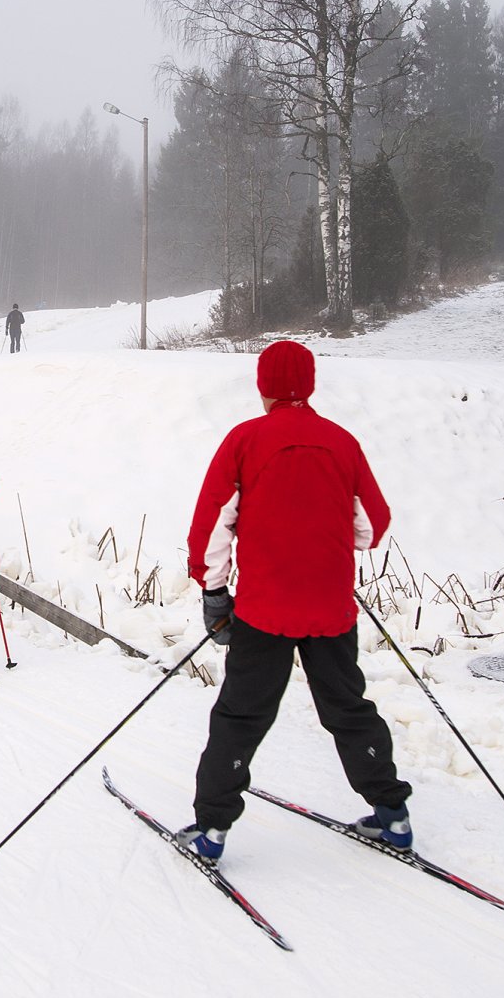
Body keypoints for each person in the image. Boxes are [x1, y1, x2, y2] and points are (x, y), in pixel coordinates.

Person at [176, 339, 410, 863]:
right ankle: (393, 813)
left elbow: (213, 524)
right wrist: (324, 540)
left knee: (241, 716)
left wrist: (214, 592)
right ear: (309, 385)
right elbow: (371, 527)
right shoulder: (341, 442)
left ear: (263, 386)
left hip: (263, 610)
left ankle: (212, 831)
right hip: (330, 608)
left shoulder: (246, 439)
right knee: (348, 709)